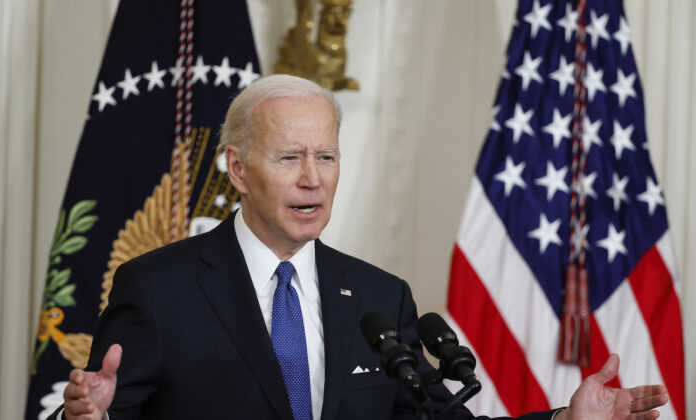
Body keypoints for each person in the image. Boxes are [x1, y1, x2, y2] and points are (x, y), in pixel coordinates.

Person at [53, 74, 668, 420]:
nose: (312, 177)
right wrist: (86, 418)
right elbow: (99, 410)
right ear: (237, 170)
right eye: (289, 157)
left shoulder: (378, 297)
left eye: (326, 156)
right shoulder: (157, 289)